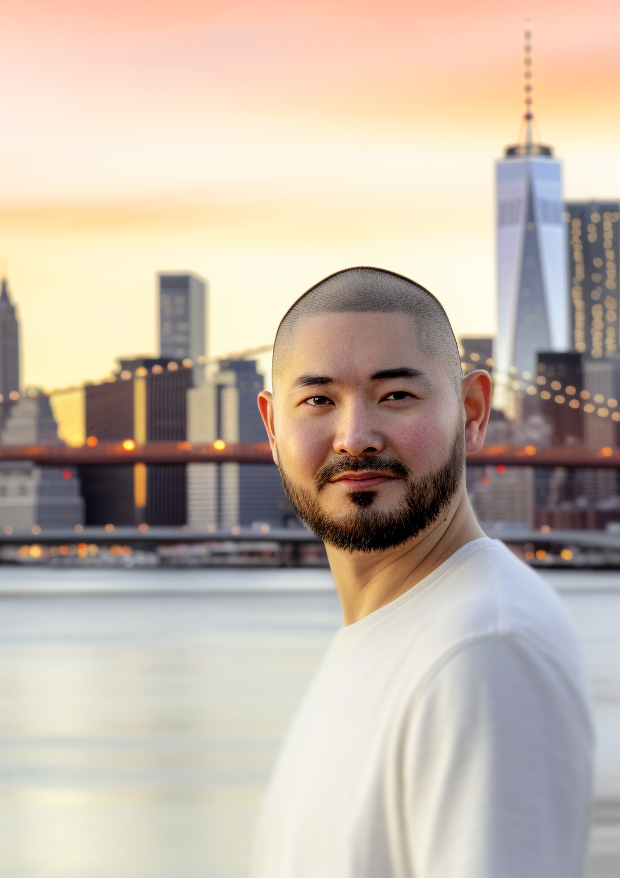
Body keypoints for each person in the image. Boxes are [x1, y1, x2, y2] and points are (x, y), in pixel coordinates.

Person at [252, 267, 593, 878]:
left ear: (473, 411)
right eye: (318, 400)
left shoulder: (483, 651)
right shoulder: (399, 636)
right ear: (274, 427)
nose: (355, 438)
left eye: (397, 396)